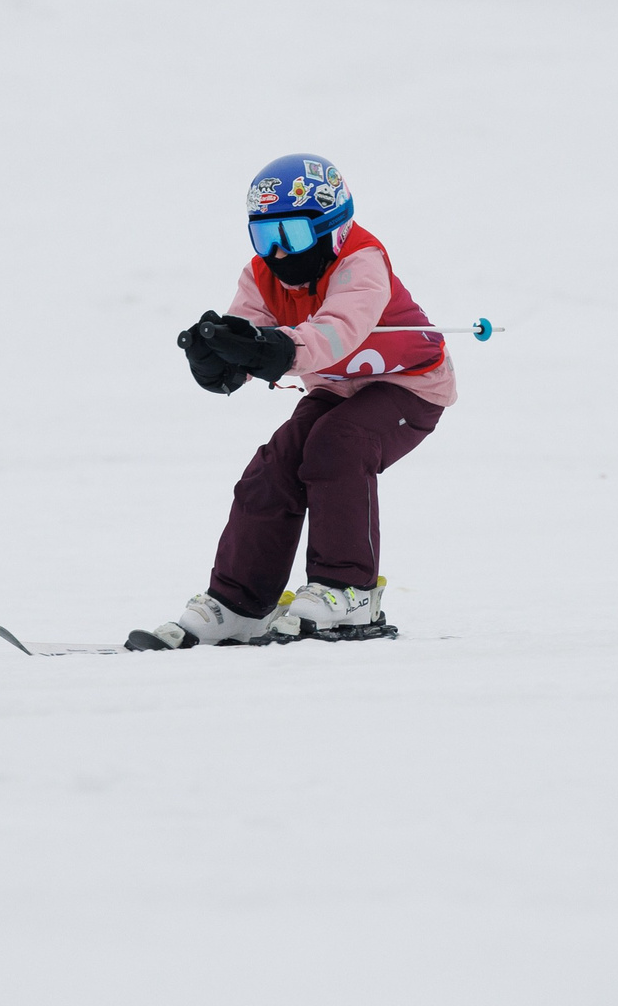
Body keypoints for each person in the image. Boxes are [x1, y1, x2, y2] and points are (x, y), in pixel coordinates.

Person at [131, 154, 452, 650]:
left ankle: (348, 589)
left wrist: (277, 350)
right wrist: (222, 358)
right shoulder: (261, 275)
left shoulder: (361, 262)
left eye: (294, 236)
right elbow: (250, 330)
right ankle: (239, 603)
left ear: (333, 229)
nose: (279, 254)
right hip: (338, 389)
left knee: (338, 443)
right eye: (265, 237)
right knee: (275, 464)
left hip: (410, 385)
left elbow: (337, 330)